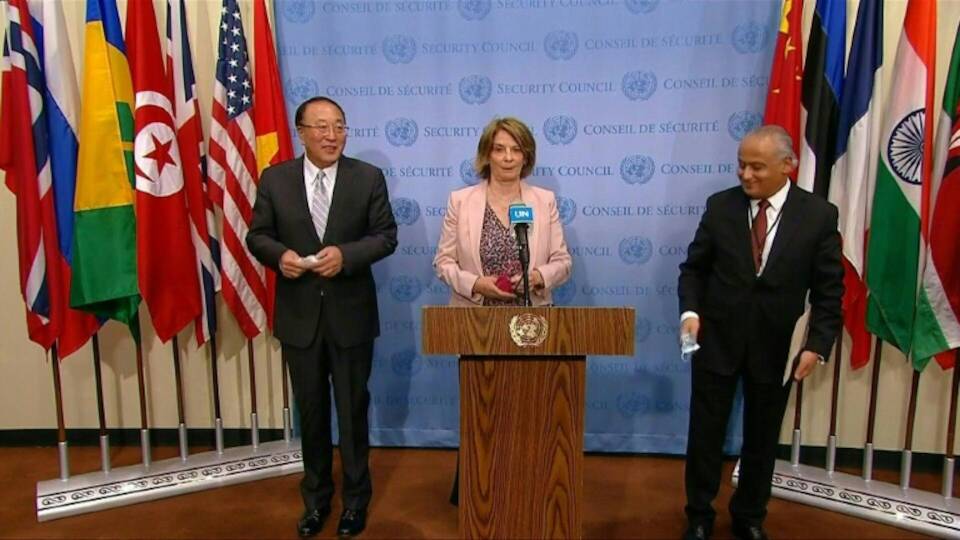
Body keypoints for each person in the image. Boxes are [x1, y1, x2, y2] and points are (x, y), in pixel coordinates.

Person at [677, 125, 843, 540]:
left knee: (762, 438)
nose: (746, 175)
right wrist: (690, 313)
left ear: (788, 165)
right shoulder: (720, 207)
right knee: (705, 435)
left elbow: (829, 290)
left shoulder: (819, 215)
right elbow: (693, 270)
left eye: (757, 167)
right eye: (741, 165)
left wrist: (817, 345)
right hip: (716, 342)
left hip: (778, 347)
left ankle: (750, 516)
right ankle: (699, 515)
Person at [246, 96, 398, 538]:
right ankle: (315, 501)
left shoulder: (367, 177)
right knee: (311, 413)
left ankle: (355, 502)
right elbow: (258, 236)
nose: (332, 136)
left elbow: (385, 236)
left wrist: (345, 256)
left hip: (351, 317)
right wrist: (281, 257)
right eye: (321, 127)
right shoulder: (275, 179)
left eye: (339, 126)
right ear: (302, 132)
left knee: (352, 412)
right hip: (299, 317)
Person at [433, 116, 573, 503]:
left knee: (529, 408)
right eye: (500, 149)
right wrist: (476, 284)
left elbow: (563, 261)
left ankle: (526, 488)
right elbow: (443, 263)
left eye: (516, 150)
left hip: (531, 320)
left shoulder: (543, 200)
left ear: (527, 156)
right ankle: (479, 491)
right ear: (487, 154)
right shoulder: (461, 201)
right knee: (482, 408)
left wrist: (538, 277)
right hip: (476, 319)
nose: (508, 157)